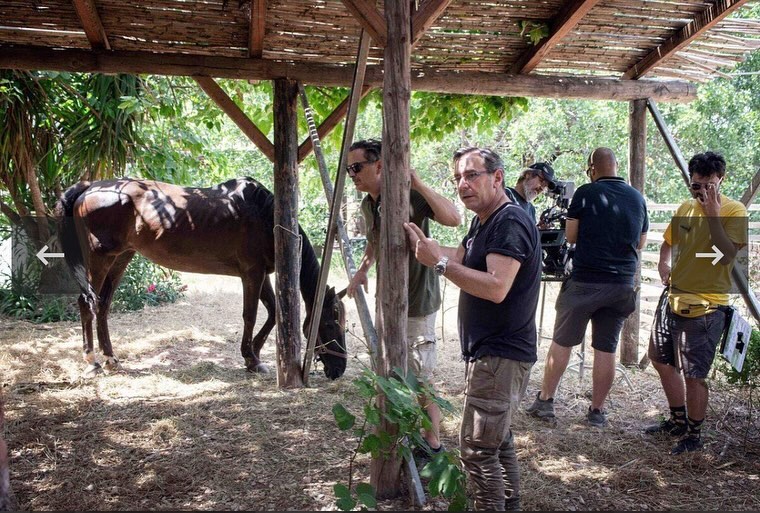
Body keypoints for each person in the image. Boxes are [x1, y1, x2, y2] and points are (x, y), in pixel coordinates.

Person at [404, 146, 541, 511]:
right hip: (492, 352)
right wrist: (427, 249)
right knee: (498, 442)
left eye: (472, 175)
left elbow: (497, 287)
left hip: (501, 354)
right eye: (458, 178)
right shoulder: (485, 219)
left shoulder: (508, 221)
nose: (463, 184)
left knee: (477, 451)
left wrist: (438, 266)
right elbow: (462, 258)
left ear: (497, 178)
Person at [345, 139, 461, 456]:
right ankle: (397, 428)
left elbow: (454, 219)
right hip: (388, 301)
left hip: (417, 300)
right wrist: (362, 270)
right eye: (347, 169)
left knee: (421, 374)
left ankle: (432, 441)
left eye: (356, 167)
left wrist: (418, 181)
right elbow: (373, 242)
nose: (351, 174)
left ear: (379, 166)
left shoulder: (409, 196)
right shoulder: (369, 204)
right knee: (393, 367)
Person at [526, 147, 648, 427]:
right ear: (616, 167)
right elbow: (640, 244)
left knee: (563, 341)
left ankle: (545, 401)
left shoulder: (585, 192)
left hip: (585, 281)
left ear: (592, 168)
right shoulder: (637, 198)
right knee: (606, 348)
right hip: (621, 285)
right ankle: (597, 412)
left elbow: (570, 235)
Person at [646, 151, 747, 454]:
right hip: (673, 295)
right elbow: (668, 242)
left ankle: (694, 435)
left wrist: (713, 213)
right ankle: (677, 420)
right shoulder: (685, 208)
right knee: (660, 359)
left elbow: (728, 254)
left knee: (694, 373)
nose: (702, 192)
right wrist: (663, 264)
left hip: (707, 305)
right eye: (696, 186)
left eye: (709, 186)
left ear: (721, 181)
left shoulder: (734, 210)